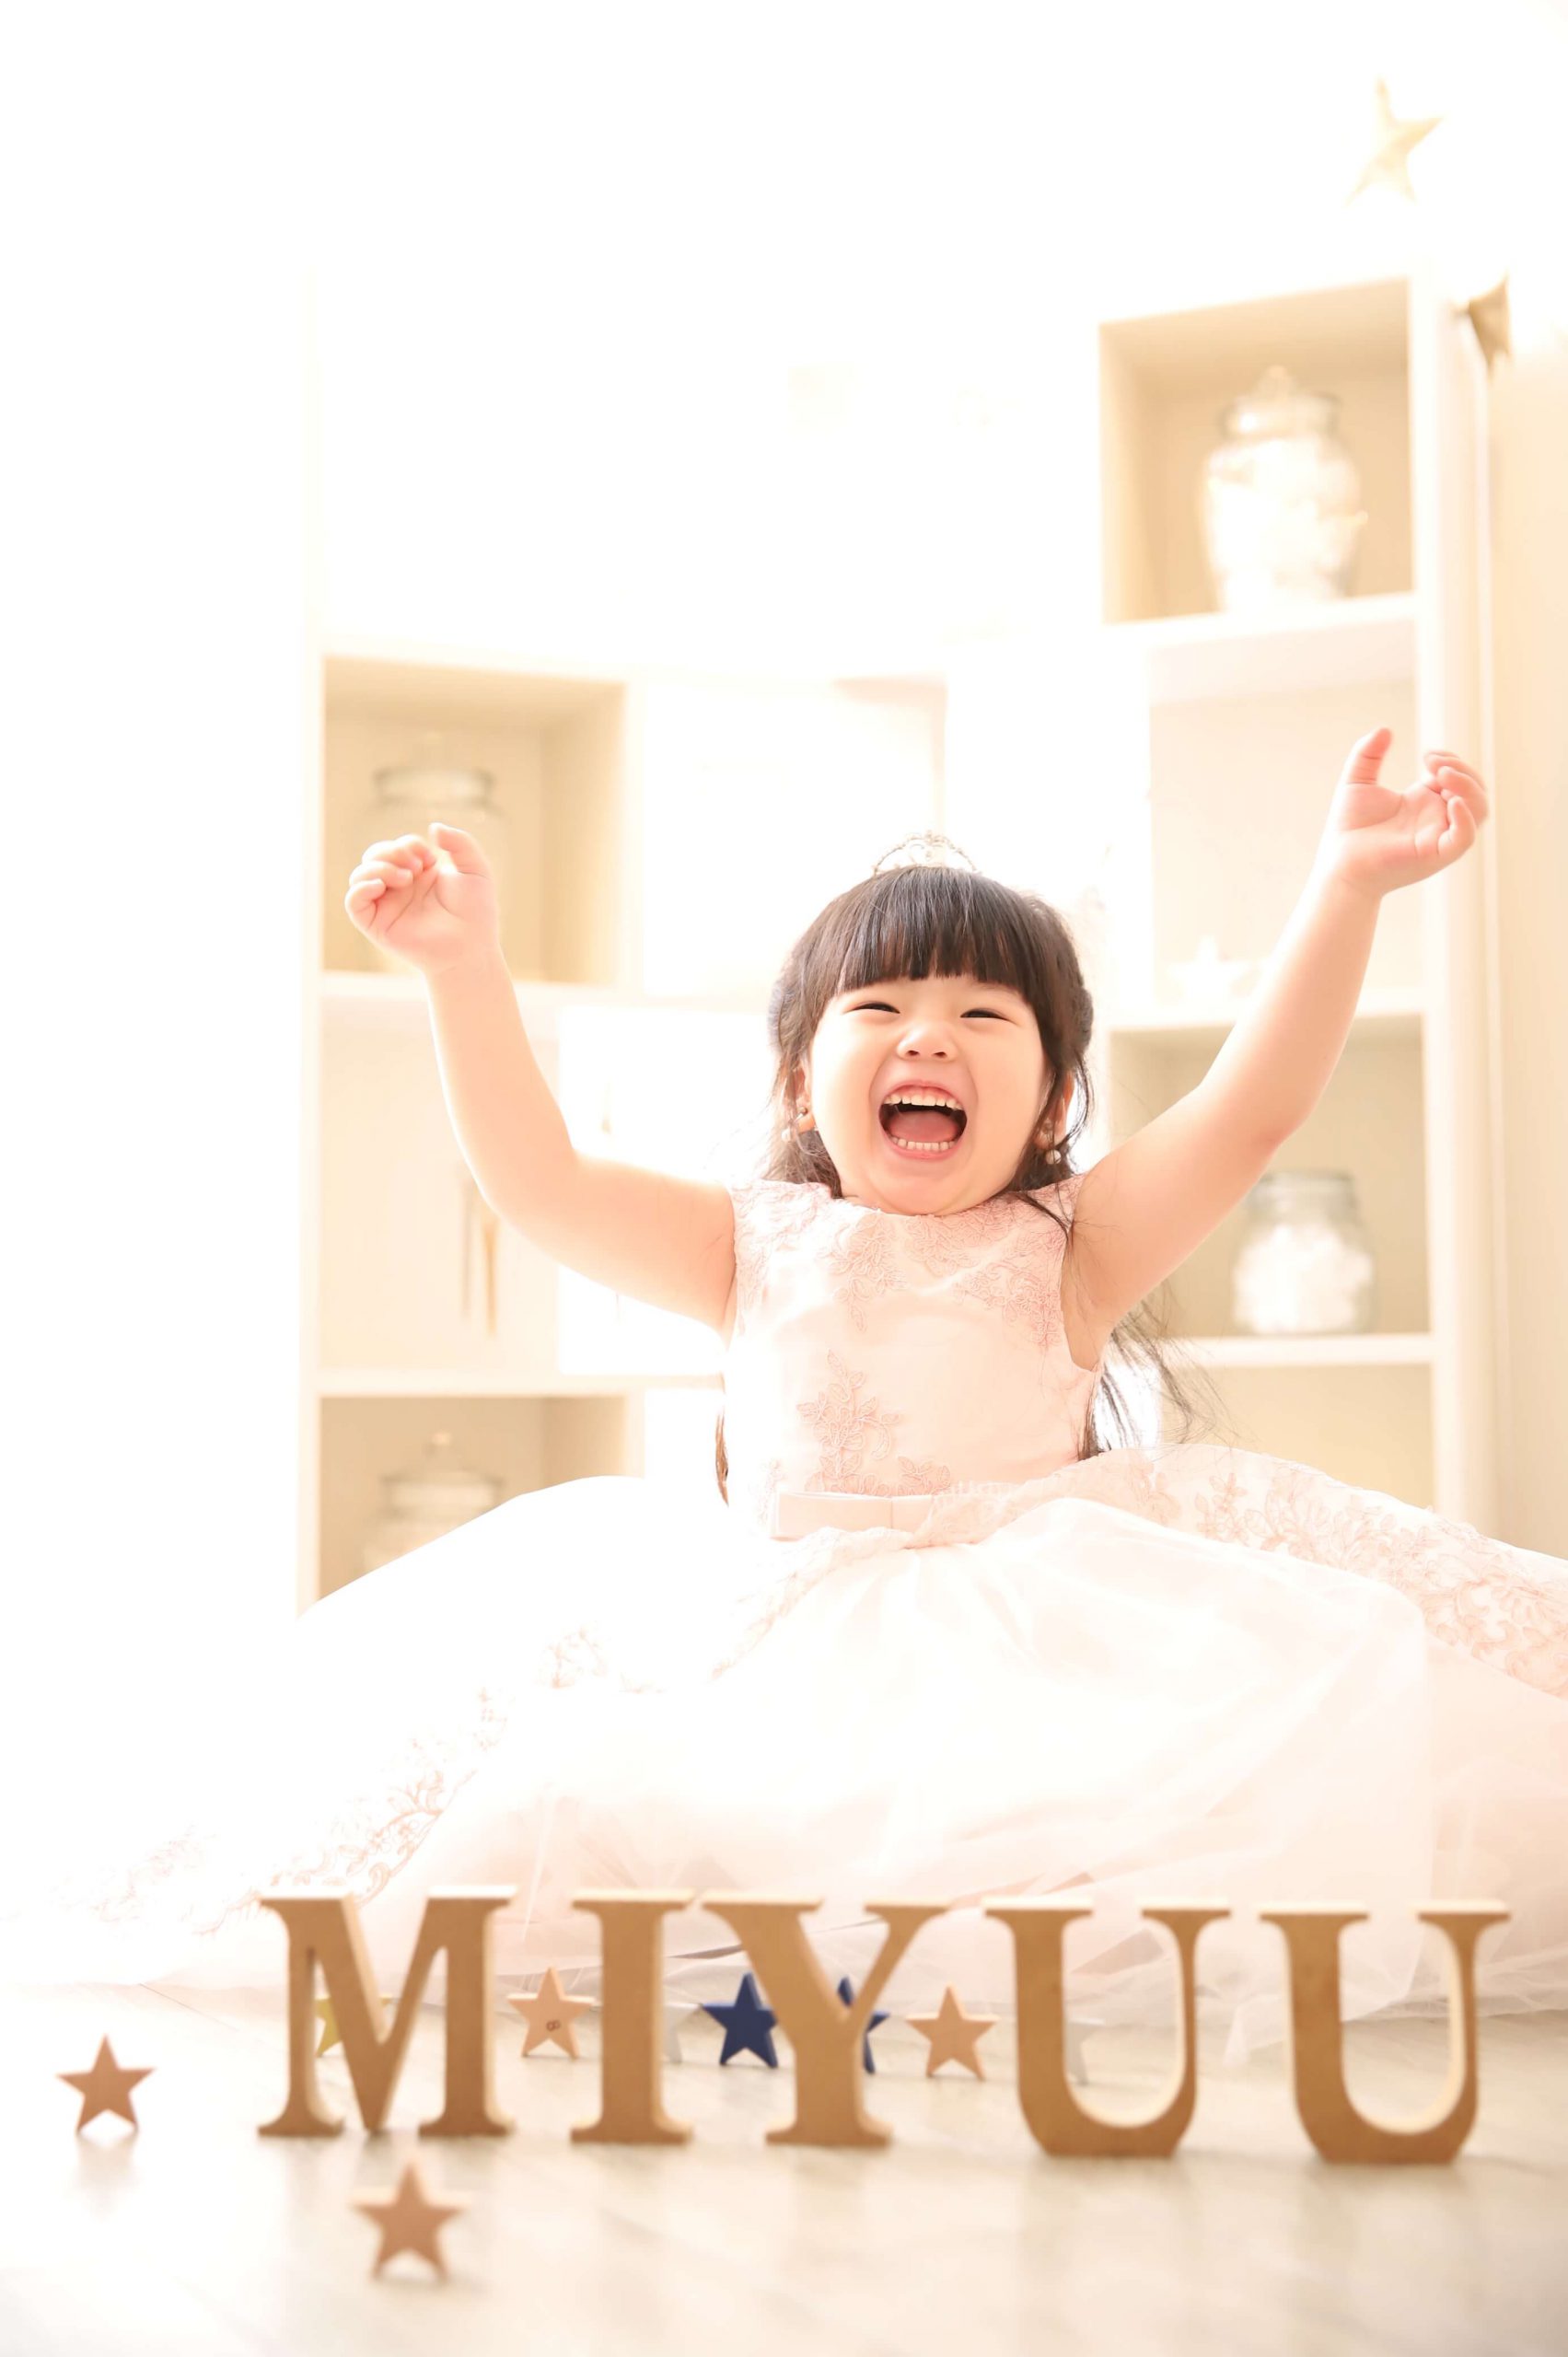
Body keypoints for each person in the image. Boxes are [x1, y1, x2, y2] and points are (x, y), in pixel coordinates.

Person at [5, 732, 1564, 2073]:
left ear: (1053, 1098)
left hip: (1020, 1636)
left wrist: (1346, 887)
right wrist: (461, 971)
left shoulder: (1072, 1246)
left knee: (1043, 1841)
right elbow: (536, 1179)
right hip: (773, 1633)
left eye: (984, 1015)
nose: (928, 1034)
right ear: (798, 1075)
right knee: (600, 1811)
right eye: (877, 1008)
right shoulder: (747, 1242)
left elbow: (1252, 1106)